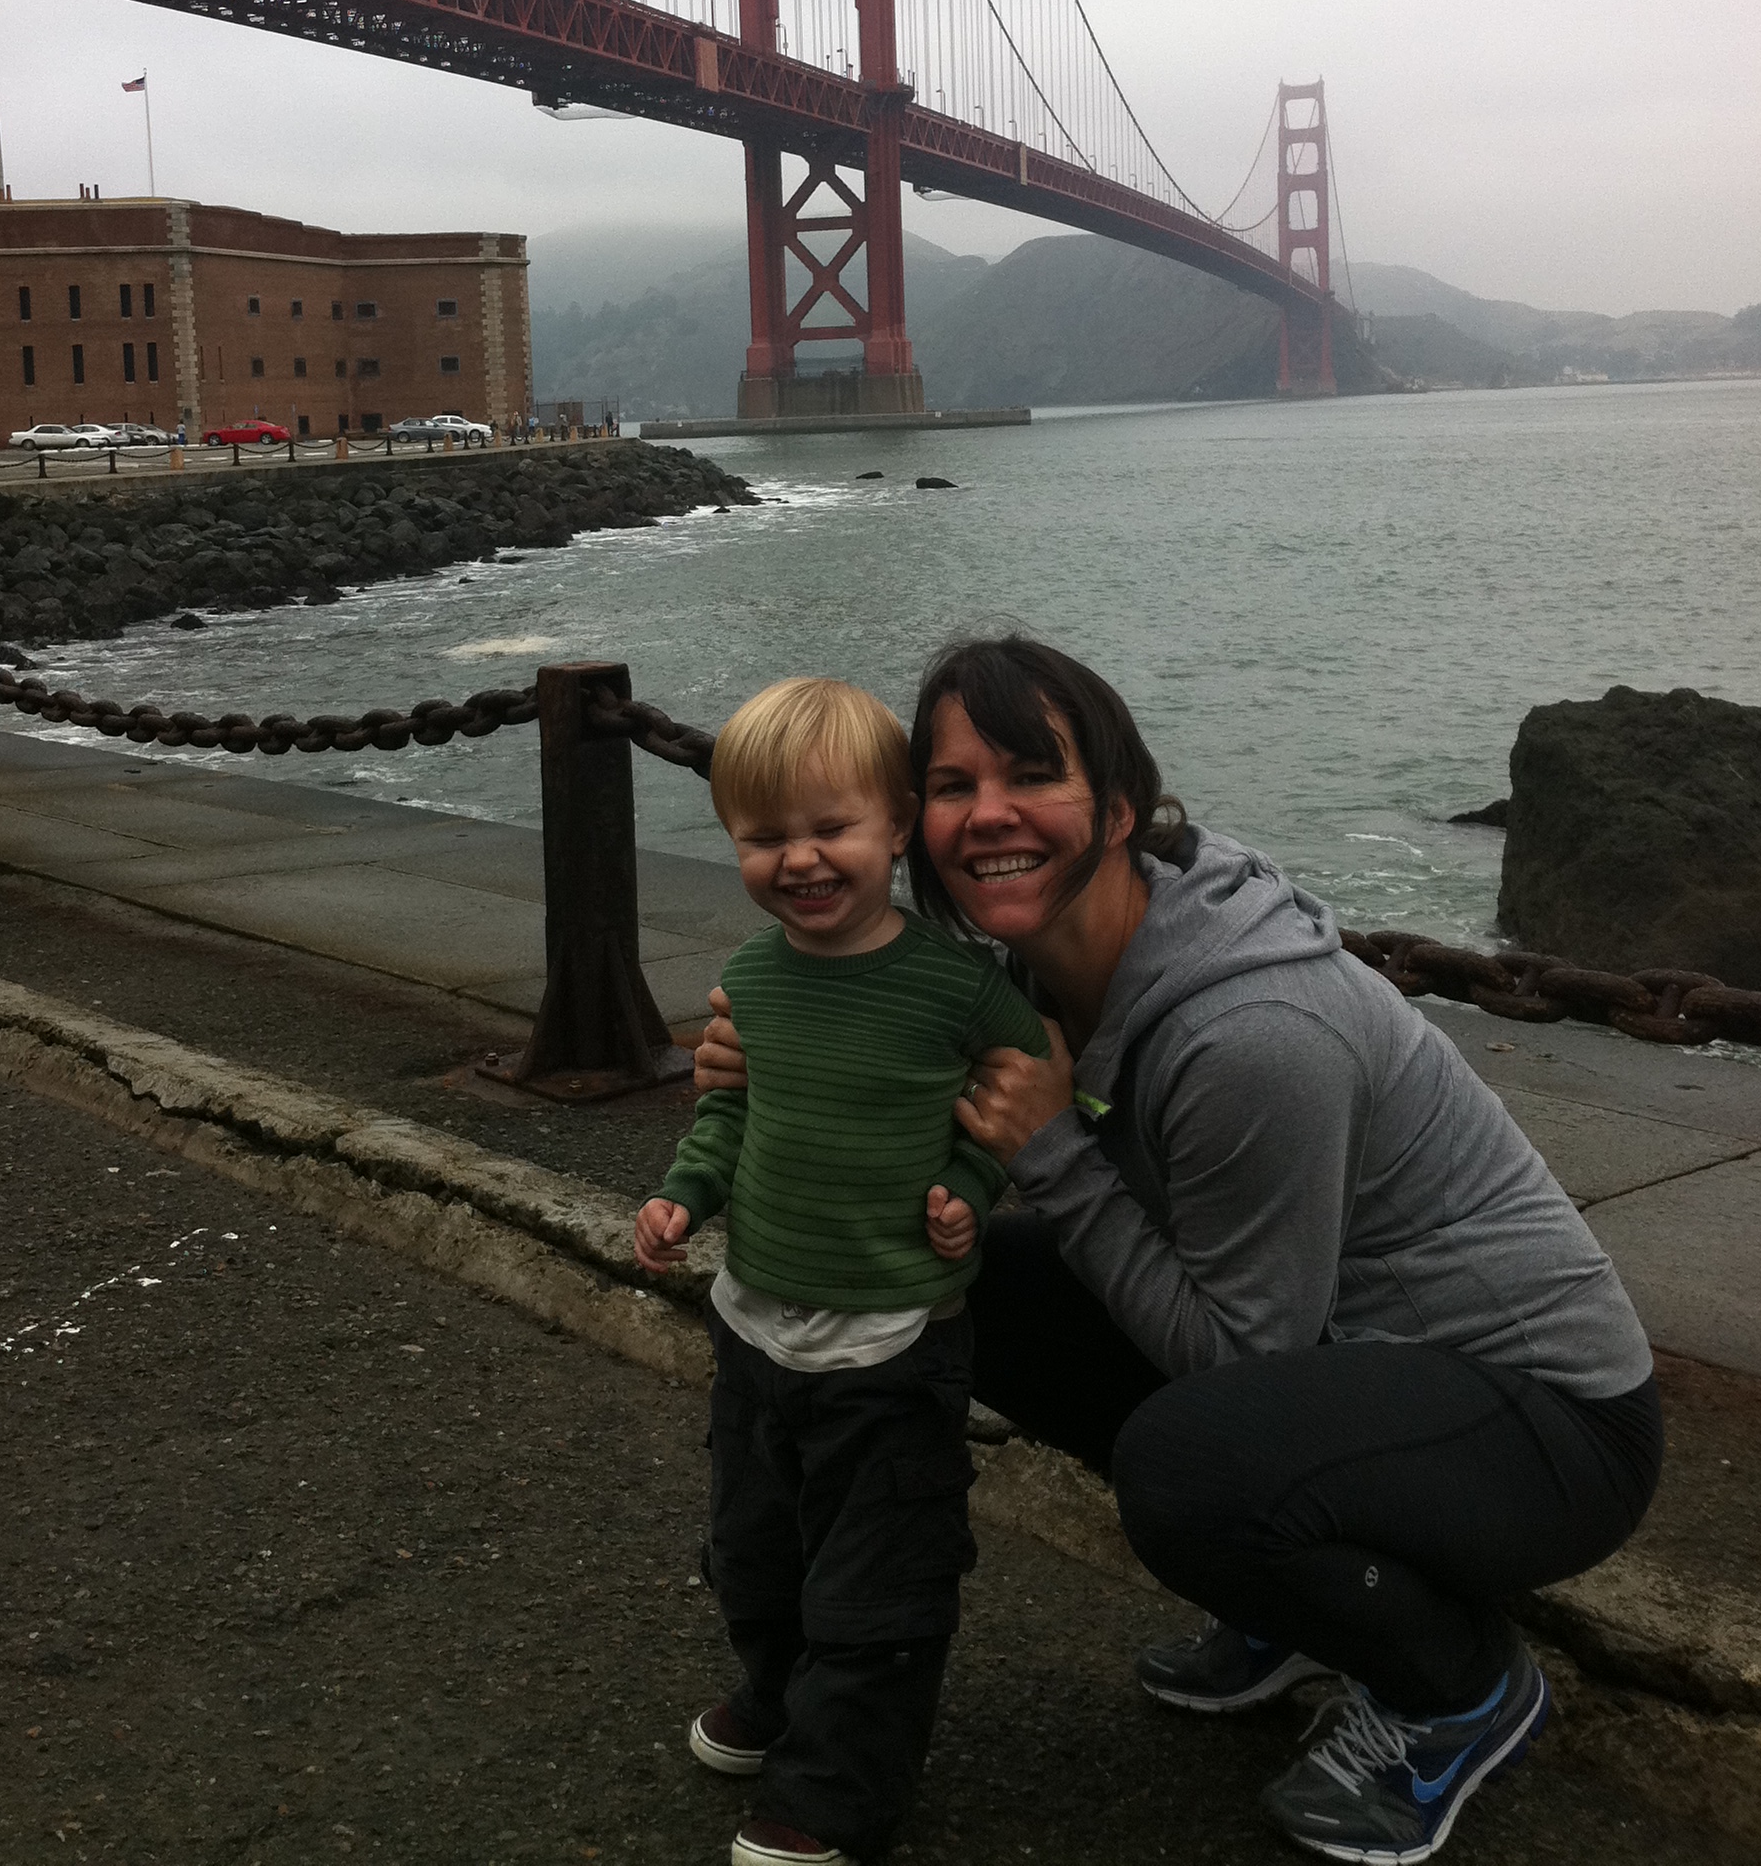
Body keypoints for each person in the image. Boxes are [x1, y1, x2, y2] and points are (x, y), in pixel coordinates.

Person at [696, 636, 1661, 1866]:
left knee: (1189, 1468)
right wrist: (768, 1060)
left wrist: (1053, 1148)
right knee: (984, 1285)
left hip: (1545, 1423)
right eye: (951, 785)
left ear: (1116, 809)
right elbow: (903, 1104)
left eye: (1032, 775)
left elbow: (1240, 1356)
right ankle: (1292, 1603)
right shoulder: (1036, 963)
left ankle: (1456, 1689)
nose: (988, 814)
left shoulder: (1253, 1034)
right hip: (1344, 1357)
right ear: (910, 821)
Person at [640, 677, 1049, 1866]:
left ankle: (839, 1792)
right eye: (765, 837)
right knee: (752, 1546)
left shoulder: (955, 984)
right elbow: (729, 1114)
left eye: (832, 829)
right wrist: (682, 1194)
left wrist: (969, 1187)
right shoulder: (754, 978)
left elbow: (1018, 1091)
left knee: (879, 1578)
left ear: (897, 827)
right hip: (753, 1325)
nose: (801, 859)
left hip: (891, 1344)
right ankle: (779, 1698)